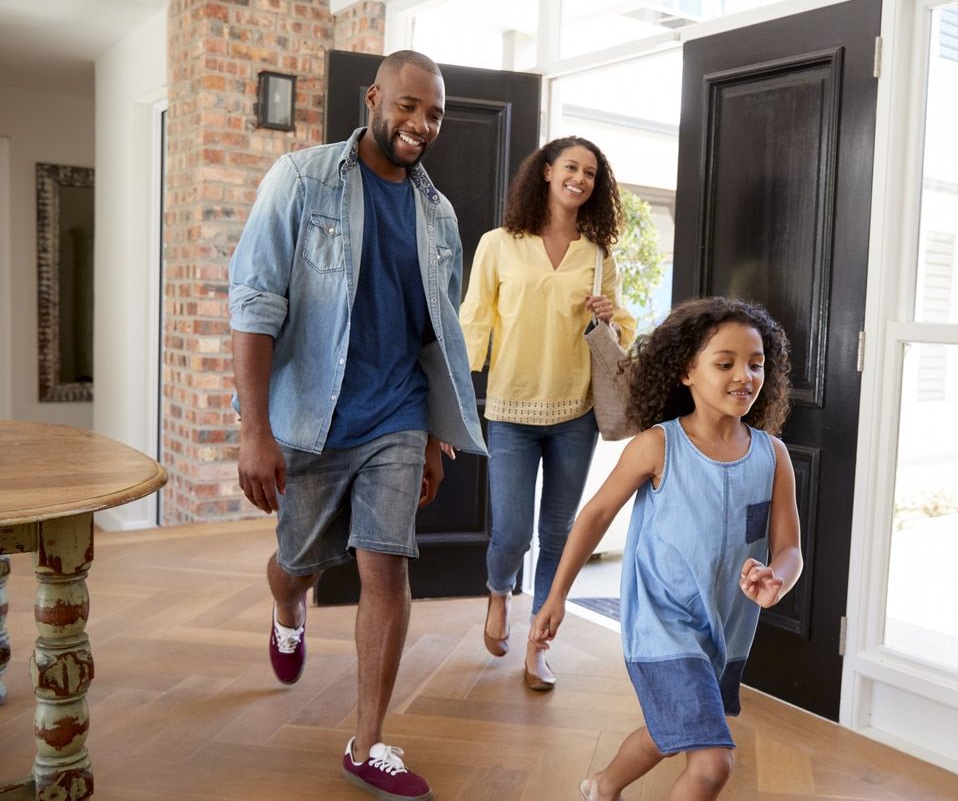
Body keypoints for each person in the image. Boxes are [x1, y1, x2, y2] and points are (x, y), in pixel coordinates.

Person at [228, 50, 486, 801]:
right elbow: (254, 304)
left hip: (397, 414)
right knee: (301, 565)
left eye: (434, 113)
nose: (421, 124)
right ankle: (285, 604)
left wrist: (436, 433)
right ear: (374, 97)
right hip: (313, 414)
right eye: (409, 105)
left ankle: (368, 742)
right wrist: (255, 432)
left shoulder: (438, 215)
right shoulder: (301, 179)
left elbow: (436, 333)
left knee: (385, 566)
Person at [529, 297, 803, 800]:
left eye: (756, 364)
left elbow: (790, 548)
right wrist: (556, 596)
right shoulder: (658, 446)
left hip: (725, 632)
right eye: (725, 363)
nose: (744, 375)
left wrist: (777, 578)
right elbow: (594, 516)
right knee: (713, 762)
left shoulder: (773, 456)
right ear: (685, 373)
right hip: (660, 626)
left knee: (672, 732)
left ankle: (602, 786)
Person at [460, 136, 636, 690]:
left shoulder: (598, 254)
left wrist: (609, 317)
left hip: (575, 412)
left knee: (558, 533)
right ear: (546, 172)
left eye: (589, 172)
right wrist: (456, 400)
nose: (579, 178)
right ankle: (497, 593)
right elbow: (475, 321)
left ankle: (539, 642)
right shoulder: (499, 244)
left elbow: (621, 334)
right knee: (511, 532)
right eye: (570, 167)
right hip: (511, 408)